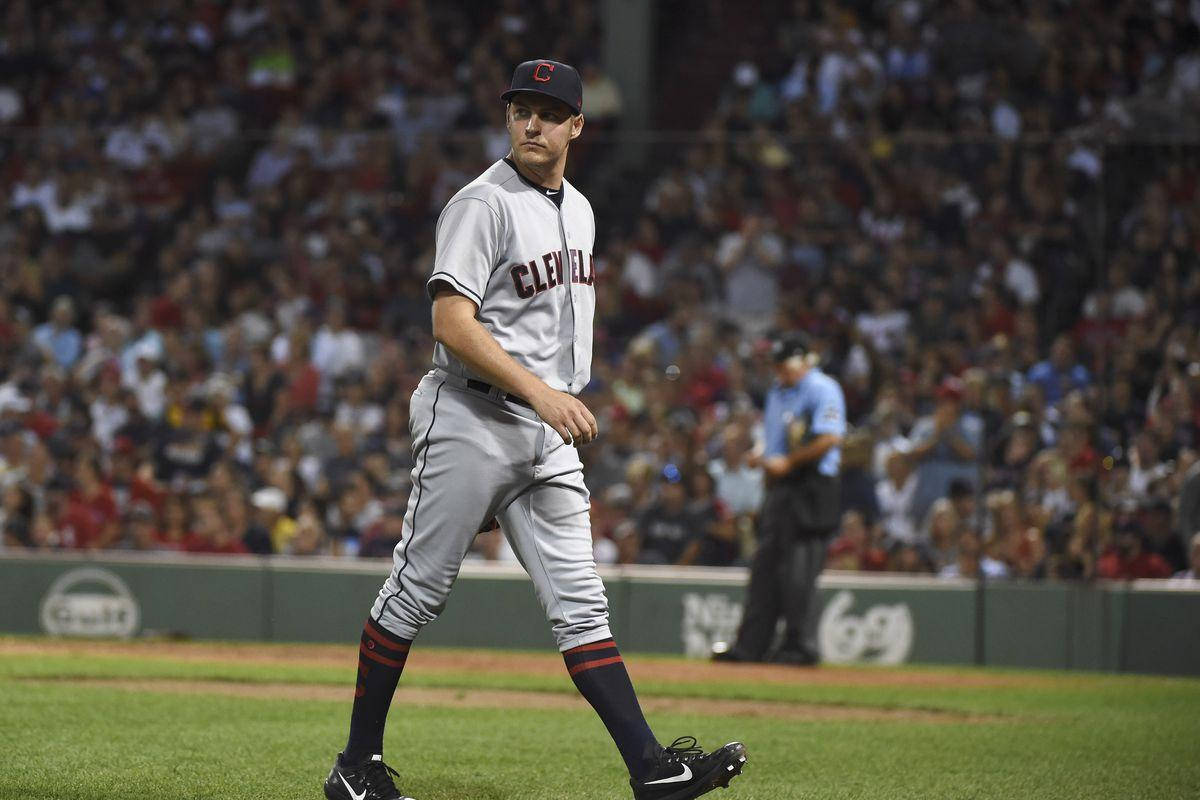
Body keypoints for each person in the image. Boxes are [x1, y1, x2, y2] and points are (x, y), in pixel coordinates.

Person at [322, 60, 746, 800]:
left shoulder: (579, 208)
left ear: (578, 125)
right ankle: (355, 769)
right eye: (522, 109)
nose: (533, 124)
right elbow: (450, 322)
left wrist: (557, 396)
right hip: (471, 414)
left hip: (542, 428)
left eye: (550, 113)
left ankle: (652, 768)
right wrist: (544, 394)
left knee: (581, 603)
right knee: (416, 591)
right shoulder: (480, 203)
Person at [713, 331, 846, 666]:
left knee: (799, 573)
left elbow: (830, 438)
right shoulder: (777, 390)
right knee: (765, 569)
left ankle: (798, 647)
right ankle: (751, 647)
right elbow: (775, 443)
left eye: (783, 364)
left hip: (812, 486)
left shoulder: (821, 388)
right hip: (780, 488)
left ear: (804, 360)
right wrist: (763, 454)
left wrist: (788, 461)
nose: (778, 371)